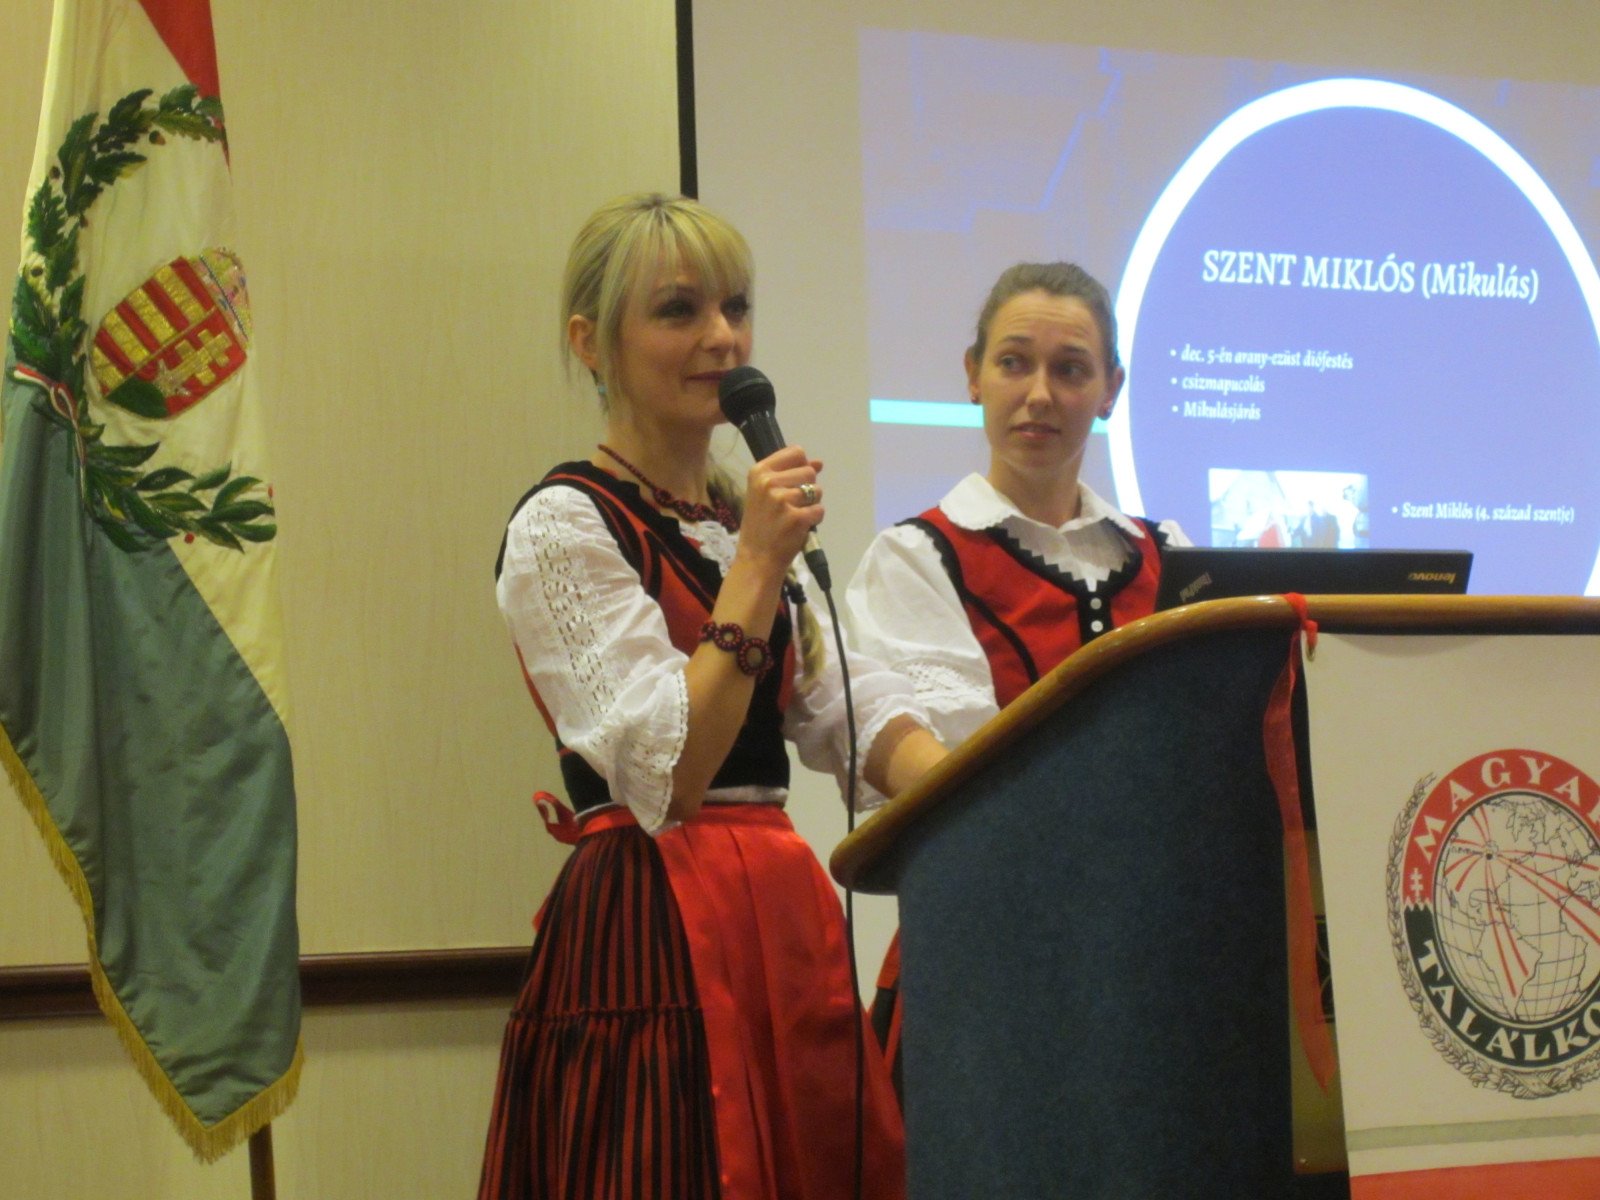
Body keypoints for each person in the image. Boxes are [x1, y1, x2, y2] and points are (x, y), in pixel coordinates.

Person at [479, 193, 945, 1200]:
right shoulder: (565, 524)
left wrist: (972, 788)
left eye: (735, 307)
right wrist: (758, 568)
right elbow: (672, 770)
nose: (722, 338)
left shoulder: (739, 521)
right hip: (652, 918)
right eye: (678, 311)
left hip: (779, 911)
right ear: (591, 343)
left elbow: (841, 704)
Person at [844, 261, 1187, 1089]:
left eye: (1070, 369)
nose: (1039, 394)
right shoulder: (916, 557)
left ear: (1110, 390)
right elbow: (961, 786)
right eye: (1013, 363)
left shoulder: (1168, 553)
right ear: (973, 376)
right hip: (988, 964)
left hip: (1159, 960)